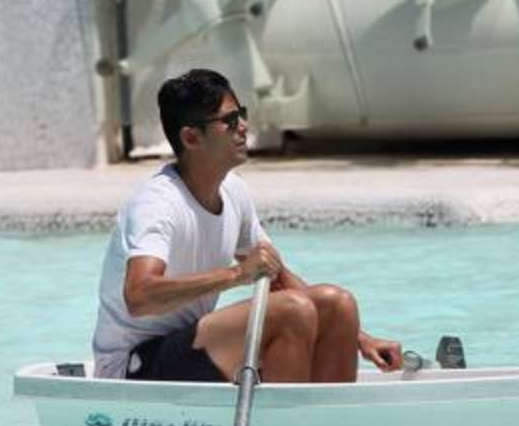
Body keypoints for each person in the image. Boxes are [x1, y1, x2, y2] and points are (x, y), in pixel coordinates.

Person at [92, 68, 402, 383]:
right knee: (291, 310)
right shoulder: (157, 203)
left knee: (337, 304)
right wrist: (237, 274)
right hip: (133, 367)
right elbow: (139, 296)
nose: (243, 127)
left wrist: (361, 340)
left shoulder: (233, 191)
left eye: (241, 114)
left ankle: (325, 423)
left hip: (189, 345)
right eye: (229, 121)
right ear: (191, 137)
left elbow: (275, 276)